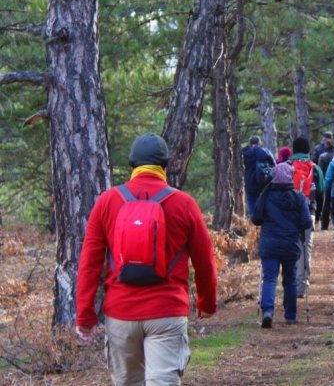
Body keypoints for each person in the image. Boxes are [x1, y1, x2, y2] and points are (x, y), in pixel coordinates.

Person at [76, 132, 218, 385]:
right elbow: (204, 259)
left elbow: (89, 263)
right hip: (167, 312)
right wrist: (207, 302)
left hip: (121, 314)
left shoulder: (107, 201)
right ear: (164, 167)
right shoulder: (183, 203)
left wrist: (85, 315)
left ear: (133, 166)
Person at [252, 162, 313, 328]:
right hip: (290, 244)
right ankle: (291, 315)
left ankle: (267, 312)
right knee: (290, 279)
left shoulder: (266, 196)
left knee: (269, 278)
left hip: (270, 244)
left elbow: (256, 219)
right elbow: (307, 222)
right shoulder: (298, 197)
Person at [288, 137, 325, 298]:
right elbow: (322, 191)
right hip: (309, 211)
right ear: (308, 150)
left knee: (293, 247)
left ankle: (294, 282)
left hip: (290, 214)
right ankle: (303, 283)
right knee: (306, 247)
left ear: (293, 150)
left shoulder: (287, 167)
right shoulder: (315, 169)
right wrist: (319, 214)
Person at [242, 136, 276, 216]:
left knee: (250, 200)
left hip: (248, 180)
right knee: (260, 199)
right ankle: (261, 218)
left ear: (250, 143)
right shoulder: (264, 152)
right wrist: (267, 174)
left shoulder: (244, 153)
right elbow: (273, 165)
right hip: (261, 180)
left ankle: (253, 218)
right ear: (259, 142)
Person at [317, 141, 334, 231]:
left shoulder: (322, 156)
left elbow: (320, 170)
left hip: (326, 181)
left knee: (326, 204)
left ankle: (324, 225)